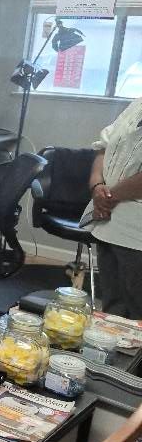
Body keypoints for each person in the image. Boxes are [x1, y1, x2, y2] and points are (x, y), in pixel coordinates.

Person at [81, 96, 142, 319]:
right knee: (114, 308)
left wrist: (108, 196)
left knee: (137, 307)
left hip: (137, 232)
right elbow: (104, 146)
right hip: (109, 221)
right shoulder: (137, 104)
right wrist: (97, 186)